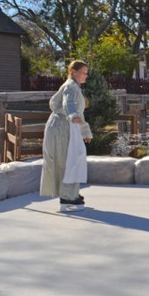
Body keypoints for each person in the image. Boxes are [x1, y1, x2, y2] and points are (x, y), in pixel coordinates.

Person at [40, 60, 92, 207]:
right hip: (61, 128)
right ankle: (67, 196)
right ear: (73, 72)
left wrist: (84, 131)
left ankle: (71, 193)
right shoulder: (70, 86)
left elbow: (78, 112)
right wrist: (73, 115)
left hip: (66, 126)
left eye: (86, 73)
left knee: (73, 159)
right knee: (66, 161)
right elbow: (68, 104)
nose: (85, 76)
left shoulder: (74, 86)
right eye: (83, 73)